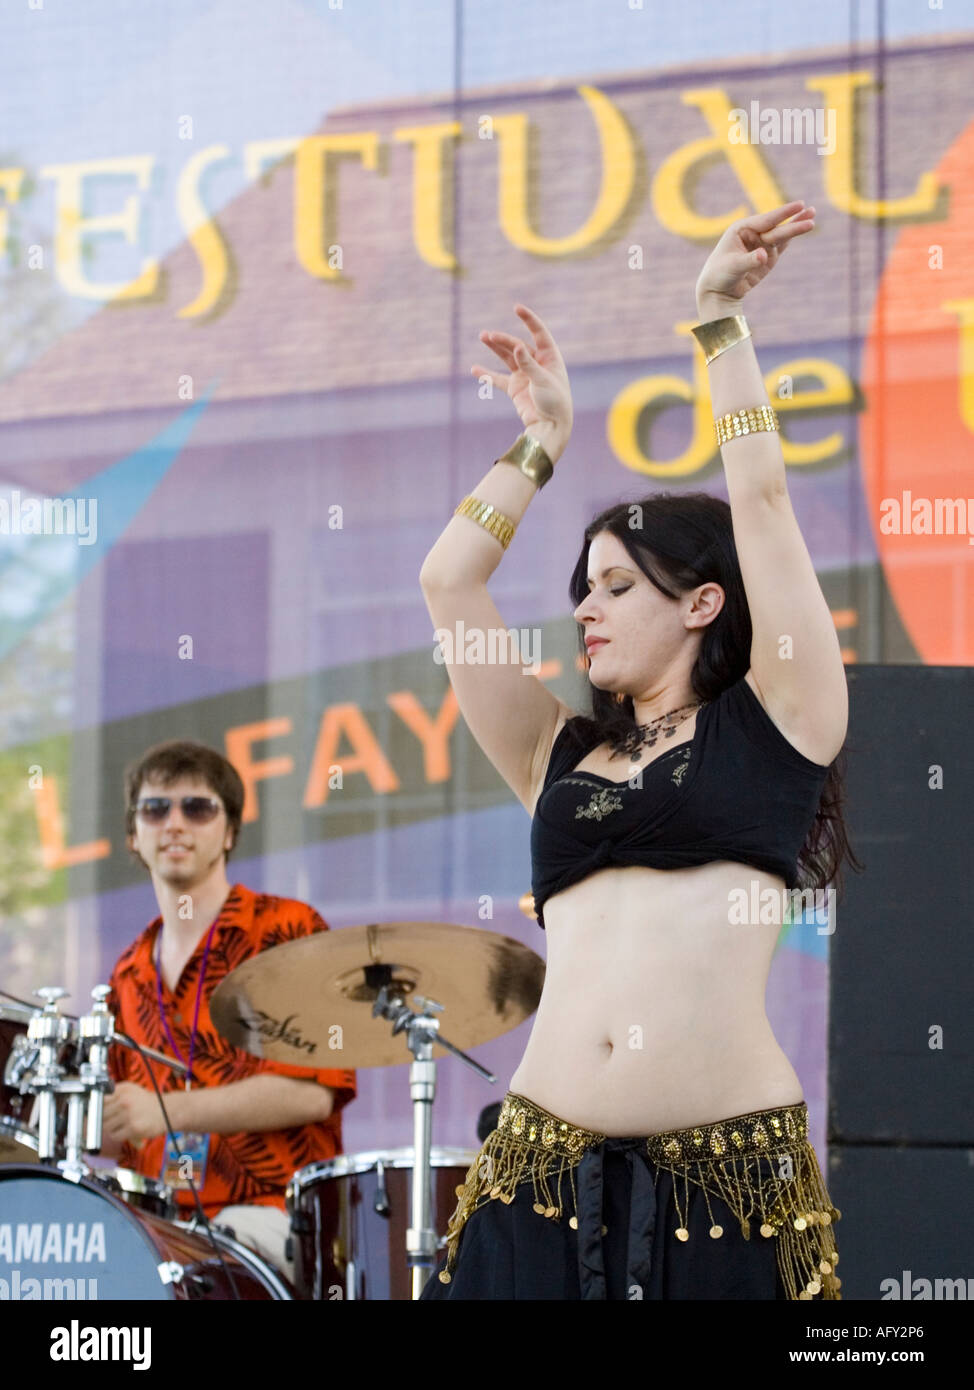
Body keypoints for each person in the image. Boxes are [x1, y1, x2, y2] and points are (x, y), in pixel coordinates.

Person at [418, 200, 862, 1301]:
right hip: (533, 1174)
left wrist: (716, 323)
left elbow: (757, 499)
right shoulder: (554, 754)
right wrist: (540, 443)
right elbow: (447, 582)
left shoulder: (778, 722)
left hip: (724, 1187)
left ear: (703, 600)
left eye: (616, 585)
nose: (585, 610)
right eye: (580, 590)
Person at [102, 739, 357, 1282]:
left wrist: (165, 1112)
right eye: (155, 809)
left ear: (230, 831)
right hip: (155, 1227)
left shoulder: (287, 929)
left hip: (273, 1220)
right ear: (133, 835)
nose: (174, 823)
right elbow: (126, 1136)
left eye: (197, 808)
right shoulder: (127, 973)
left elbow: (311, 1090)